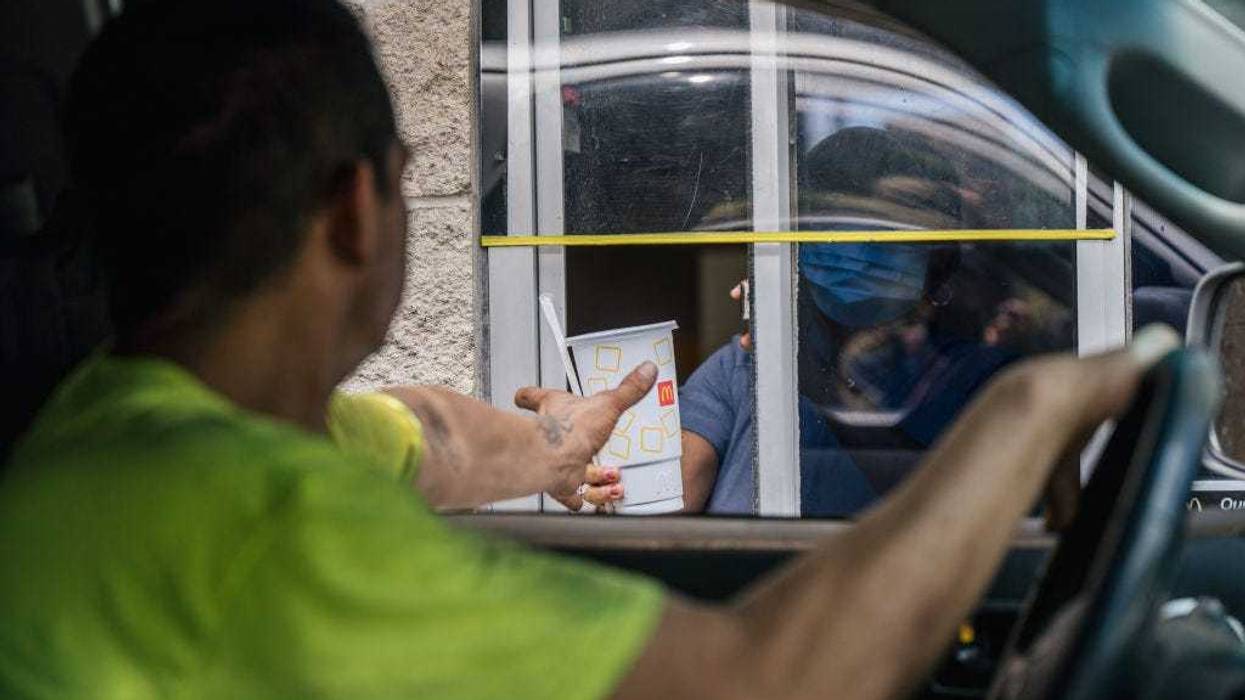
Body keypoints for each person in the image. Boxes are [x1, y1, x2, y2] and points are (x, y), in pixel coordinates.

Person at [0, 2, 1182, 699]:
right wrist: (1029, 412)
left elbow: (432, 433)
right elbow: (768, 680)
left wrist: (561, 438)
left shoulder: (126, 431)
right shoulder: (268, 529)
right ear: (358, 208)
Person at [679, 127, 1037, 515]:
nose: (860, 249)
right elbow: (662, 510)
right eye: (831, 228)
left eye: (888, 233)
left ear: (937, 262)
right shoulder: (742, 369)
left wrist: (812, 376)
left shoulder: (984, 381)